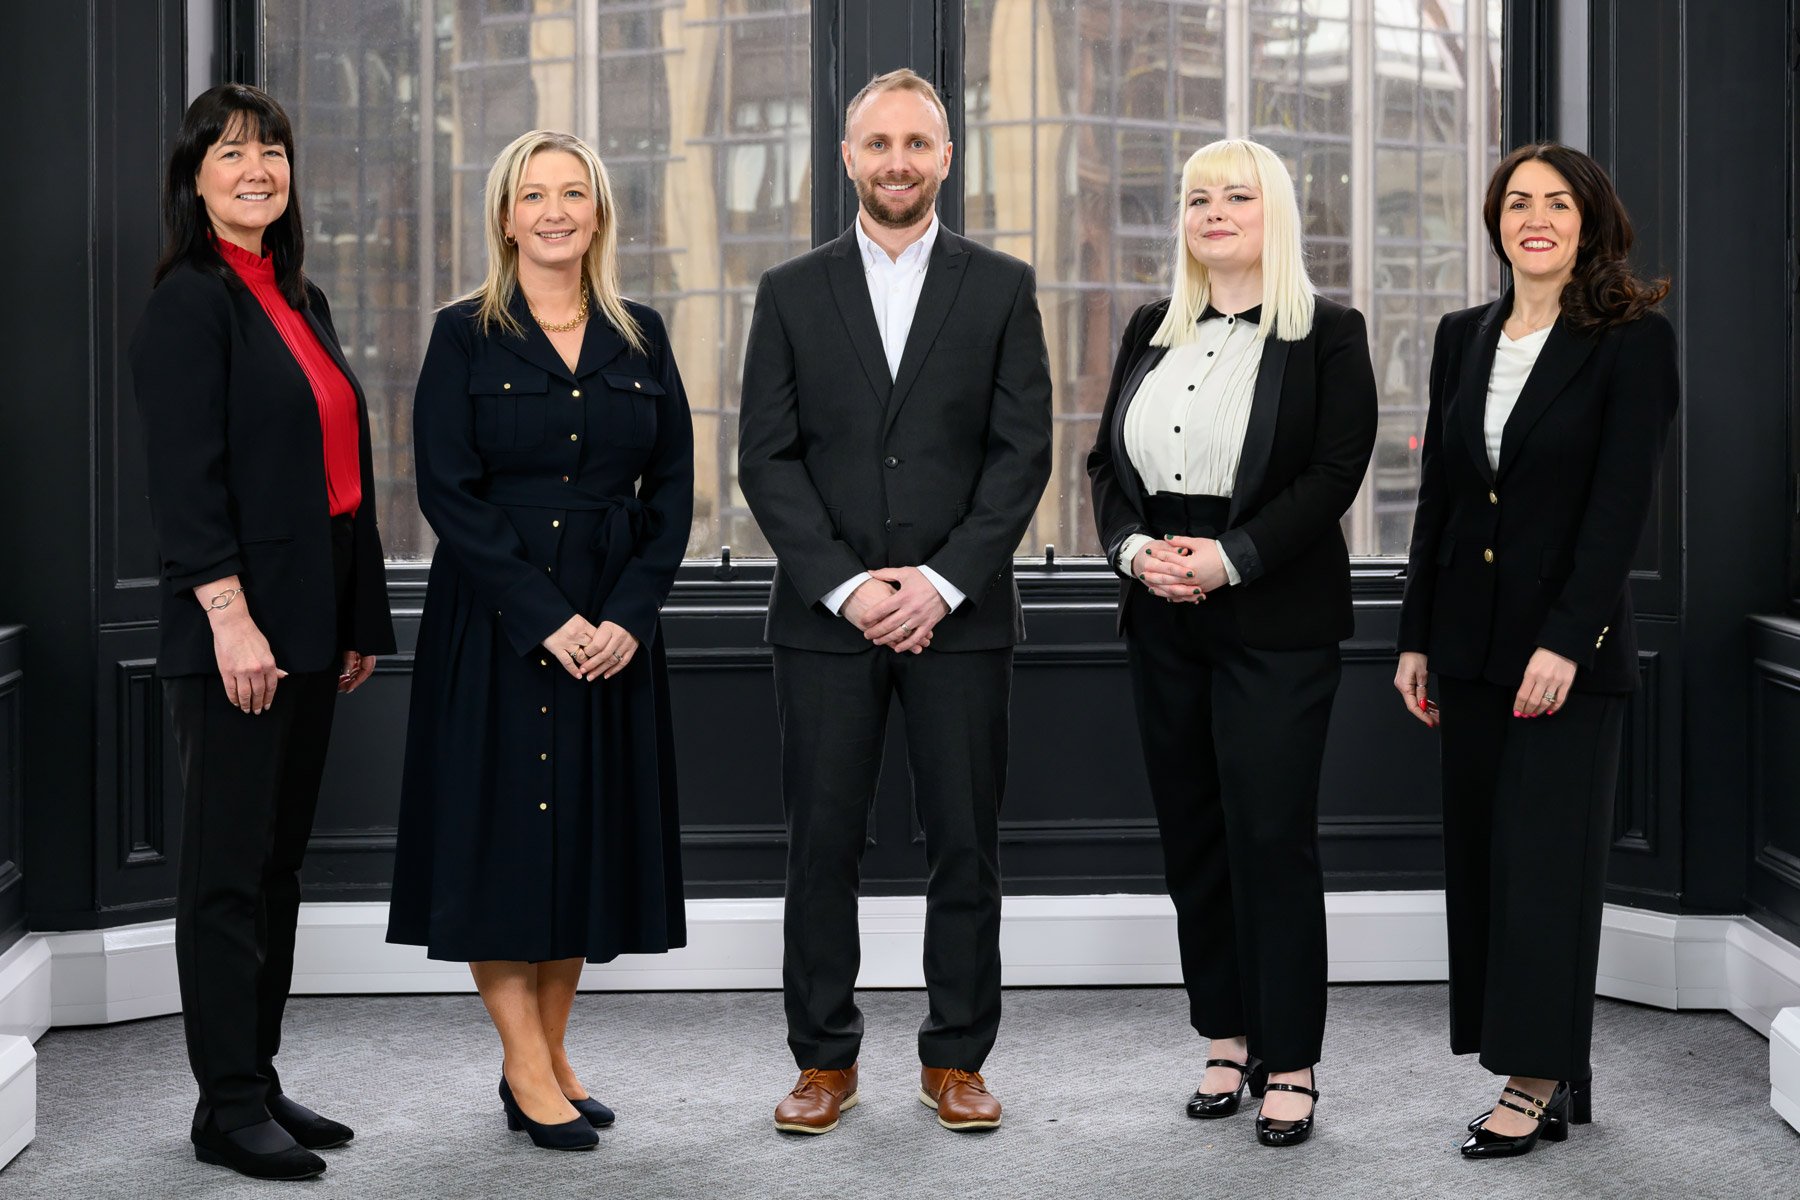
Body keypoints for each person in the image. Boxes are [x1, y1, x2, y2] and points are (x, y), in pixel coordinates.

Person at [737, 68, 1052, 1137]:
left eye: (919, 143)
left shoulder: (1003, 287)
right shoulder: (787, 291)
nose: (899, 161)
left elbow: (1021, 455)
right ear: (848, 157)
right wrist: (848, 586)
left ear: (947, 159)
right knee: (821, 844)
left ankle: (956, 1058)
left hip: (962, 619)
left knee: (965, 843)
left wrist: (939, 581)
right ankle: (823, 1061)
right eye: (880, 144)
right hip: (824, 622)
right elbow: (767, 460)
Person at [385, 129, 694, 1152]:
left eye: (574, 193)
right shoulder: (462, 335)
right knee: (501, 844)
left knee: (576, 848)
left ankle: (551, 1057)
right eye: (534, 194)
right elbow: (447, 493)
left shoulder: (642, 335)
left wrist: (625, 618)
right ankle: (525, 1063)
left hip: (611, 629)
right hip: (498, 626)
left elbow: (675, 493)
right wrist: (546, 618)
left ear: (599, 213)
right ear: (506, 217)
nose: (554, 210)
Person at [1086, 138, 1377, 1149]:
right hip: (1161, 612)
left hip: (1274, 620)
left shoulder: (1329, 335)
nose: (1213, 212)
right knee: (1196, 839)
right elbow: (1106, 466)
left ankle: (1290, 1057)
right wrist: (1131, 552)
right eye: (1197, 197)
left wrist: (1232, 557)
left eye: (1235, 196)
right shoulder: (1146, 328)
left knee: (1270, 839)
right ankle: (1228, 1033)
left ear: (1274, 213)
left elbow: (1335, 474)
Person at [130, 83, 396, 1181]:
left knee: (279, 866)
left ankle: (258, 1075)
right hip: (234, 635)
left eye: (272, 151)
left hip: (310, 620)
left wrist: (354, 618)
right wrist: (235, 622)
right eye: (232, 153)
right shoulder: (188, 303)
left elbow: (346, 479)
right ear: (195, 179)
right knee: (226, 873)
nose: (257, 169)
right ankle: (224, 1102)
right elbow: (188, 492)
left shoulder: (303, 295)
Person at [1394, 142, 1677, 1159]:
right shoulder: (1461, 336)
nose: (1536, 217)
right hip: (1466, 651)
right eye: (1518, 202)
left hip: (1567, 658)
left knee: (1546, 870)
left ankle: (1534, 1080)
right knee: (1485, 866)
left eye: (1557, 202)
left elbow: (1618, 512)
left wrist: (1569, 639)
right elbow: (1441, 500)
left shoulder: (1633, 342)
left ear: (1589, 220)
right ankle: (1540, 1060)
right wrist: (1415, 632)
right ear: (1496, 221)